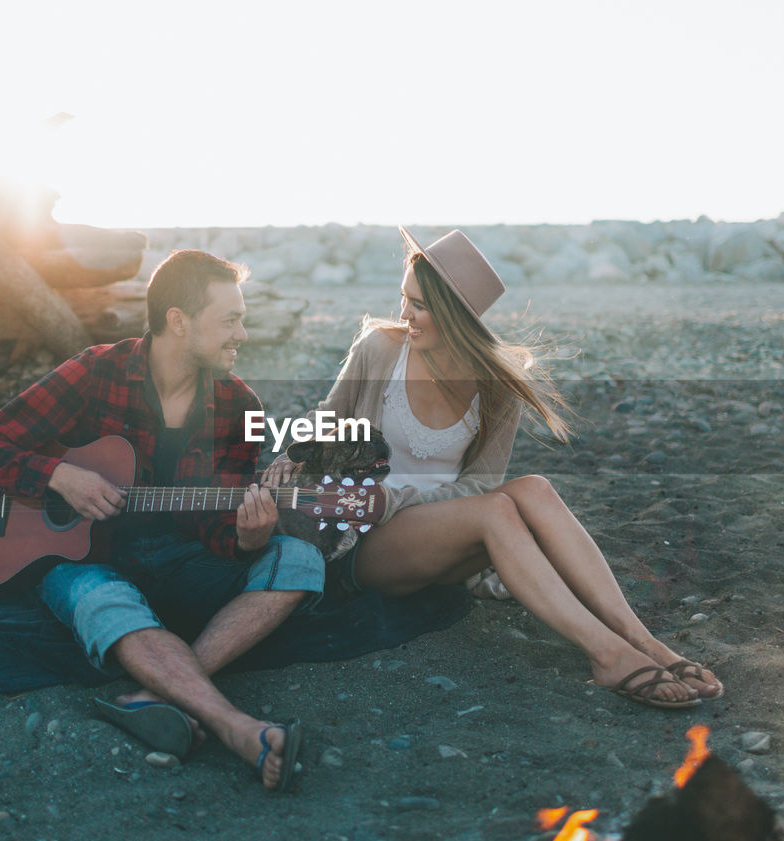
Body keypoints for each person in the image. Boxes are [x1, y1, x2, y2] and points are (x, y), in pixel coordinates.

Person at [264, 228, 723, 709]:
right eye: (403, 298)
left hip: (440, 528)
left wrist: (403, 499)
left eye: (417, 305)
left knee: (535, 489)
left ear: (456, 314)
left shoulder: (496, 384)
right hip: (362, 533)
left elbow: (482, 482)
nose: (404, 314)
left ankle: (643, 641)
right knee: (497, 512)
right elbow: (326, 417)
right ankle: (607, 654)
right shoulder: (380, 349)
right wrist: (290, 454)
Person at [0, 249, 321, 790]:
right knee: (102, 599)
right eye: (230, 319)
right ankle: (241, 729)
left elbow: (219, 531)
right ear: (178, 321)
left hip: (179, 558)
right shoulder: (96, 371)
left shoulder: (239, 404)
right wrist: (59, 476)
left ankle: (155, 694)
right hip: (85, 558)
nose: (242, 333)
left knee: (299, 557)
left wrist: (248, 538)